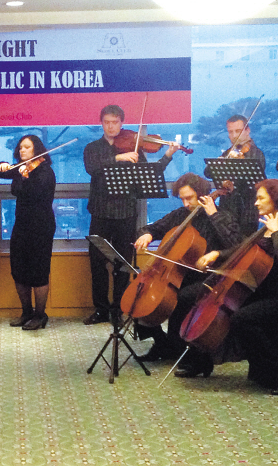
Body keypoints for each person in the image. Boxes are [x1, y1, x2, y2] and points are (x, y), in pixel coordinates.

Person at [83, 104, 180, 325]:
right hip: (99, 212)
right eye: (107, 122)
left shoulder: (136, 148)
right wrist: (119, 158)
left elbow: (151, 174)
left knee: (122, 264)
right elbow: (92, 168)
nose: (111, 126)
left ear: (121, 123)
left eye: (115, 122)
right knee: (97, 263)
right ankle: (100, 309)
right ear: (101, 123)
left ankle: (118, 309)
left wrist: (167, 155)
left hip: (126, 213)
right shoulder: (92, 147)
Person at [131, 173, 241, 362]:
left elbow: (237, 245)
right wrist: (147, 234)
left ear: (202, 195)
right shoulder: (180, 215)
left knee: (183, 298)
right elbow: (154, 227)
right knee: (139, 293)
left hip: (207, 277)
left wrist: (213, 215)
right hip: (177, 273)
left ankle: (178, 346)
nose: (185, 204)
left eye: (188, 198)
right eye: (182, 199)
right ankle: (162, 343)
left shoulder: (222, 216)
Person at [194, 179, 278, 393]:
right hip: (261, 290)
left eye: (260, 198)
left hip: (274, 296)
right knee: (210, 297)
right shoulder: (267, 224)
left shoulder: (273, 227)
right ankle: (202, 360)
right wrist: (217, 254)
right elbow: (243, 249)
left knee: (243, 318)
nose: (256, 204)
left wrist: (276, 233)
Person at [0, 135, 56, 330]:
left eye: (27, 147)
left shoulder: (46, 171)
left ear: (37, 149)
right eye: (20, 148)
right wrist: (3, 164)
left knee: (39, 270)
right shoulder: (21, 168)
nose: (22, 151)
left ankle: (40, 315)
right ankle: (26, 311)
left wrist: (24, 177)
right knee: (18, 268)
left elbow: (31, 193)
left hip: (41, 225)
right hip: (21, 224)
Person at [205, 114, 265, 237]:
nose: (234, 136)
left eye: (238, 131)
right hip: (227, 208)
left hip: (248, 210)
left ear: (247, 130)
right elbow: (208, 172)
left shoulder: (257, 153)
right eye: (230, 132)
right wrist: (222, 166)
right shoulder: (228, 153)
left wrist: (239, 162)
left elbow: (252, 178)